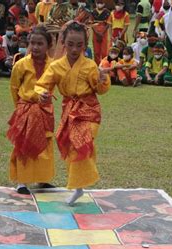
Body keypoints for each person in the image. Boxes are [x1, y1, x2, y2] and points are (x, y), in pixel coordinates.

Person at [35, 21, 110, 205]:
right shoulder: (56, 66)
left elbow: (100, 90)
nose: (75, 49)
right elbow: (42, 85)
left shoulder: (90, 65)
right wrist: (42, 94)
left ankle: (78, 186)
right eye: (70, 44)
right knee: (69, 146)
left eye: (79, 45)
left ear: (85, 45)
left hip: (88, 109)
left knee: (81, 142)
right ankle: (78, 187)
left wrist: (102, 79)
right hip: (69, 110)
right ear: (63, 43)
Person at [8, 25, 55, 195]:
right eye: (32, 43)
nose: (35, 47)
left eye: (40, 43)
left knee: (46, 144)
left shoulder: (54, 65)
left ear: (48, 45)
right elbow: (14, 87)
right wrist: (20, 107)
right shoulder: (21, 64)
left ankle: (43, 179)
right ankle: (22, 182)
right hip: (26, 108)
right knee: (24, 145)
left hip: (45, 110)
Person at [91, 0, 110, 65]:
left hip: (104, 33)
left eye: (101, 3)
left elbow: (108, 24)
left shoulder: (107, 12)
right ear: (96, 3)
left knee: (104, 51)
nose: (99, 4)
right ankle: (97, 65)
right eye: (98, 3)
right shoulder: (93, 12)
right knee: (96, 51)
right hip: (95, 32)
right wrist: (97, 33)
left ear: (104, 3)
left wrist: (102, 33)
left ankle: (104, 65)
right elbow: (91, 23)